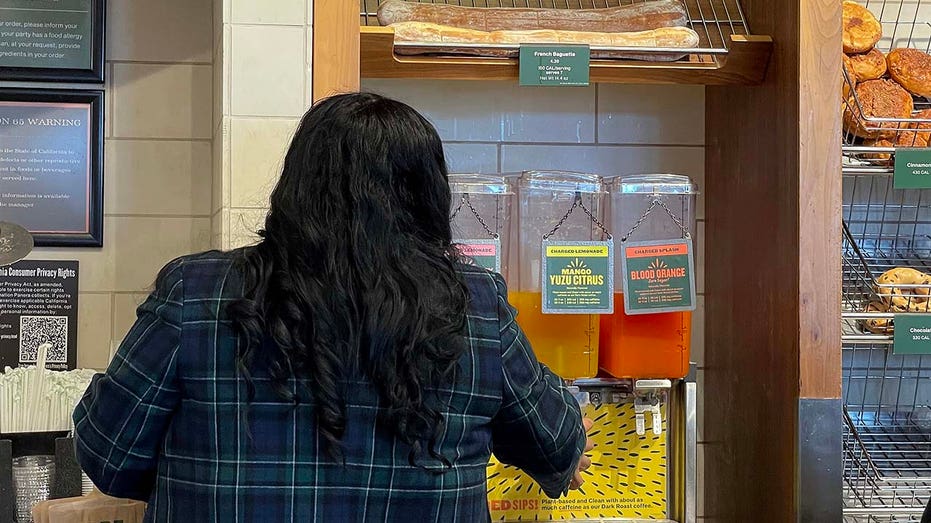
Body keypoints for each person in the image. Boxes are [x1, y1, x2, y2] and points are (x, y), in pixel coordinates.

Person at [73, 92, 592, 522]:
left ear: (294, 187)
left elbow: (107, 453)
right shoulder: (474, 305)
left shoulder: (196, 292)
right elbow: (559, 447)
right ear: (429, 196)